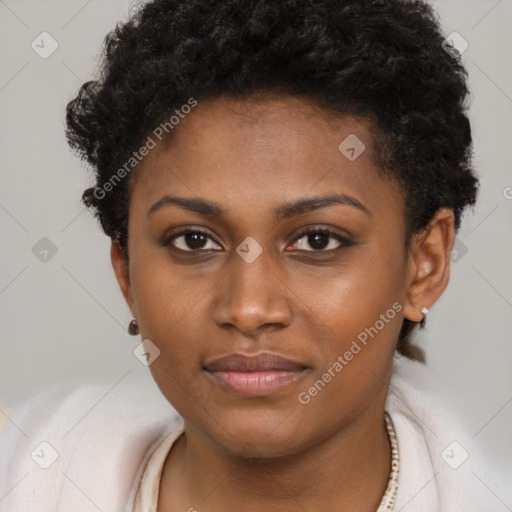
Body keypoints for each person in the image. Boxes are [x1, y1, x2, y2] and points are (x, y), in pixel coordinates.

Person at [0, 0, 510, 510]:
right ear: (127, 274)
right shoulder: (30, 476)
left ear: (425, 265)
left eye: (317, 240)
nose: (248, 309)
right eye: (193, 240)